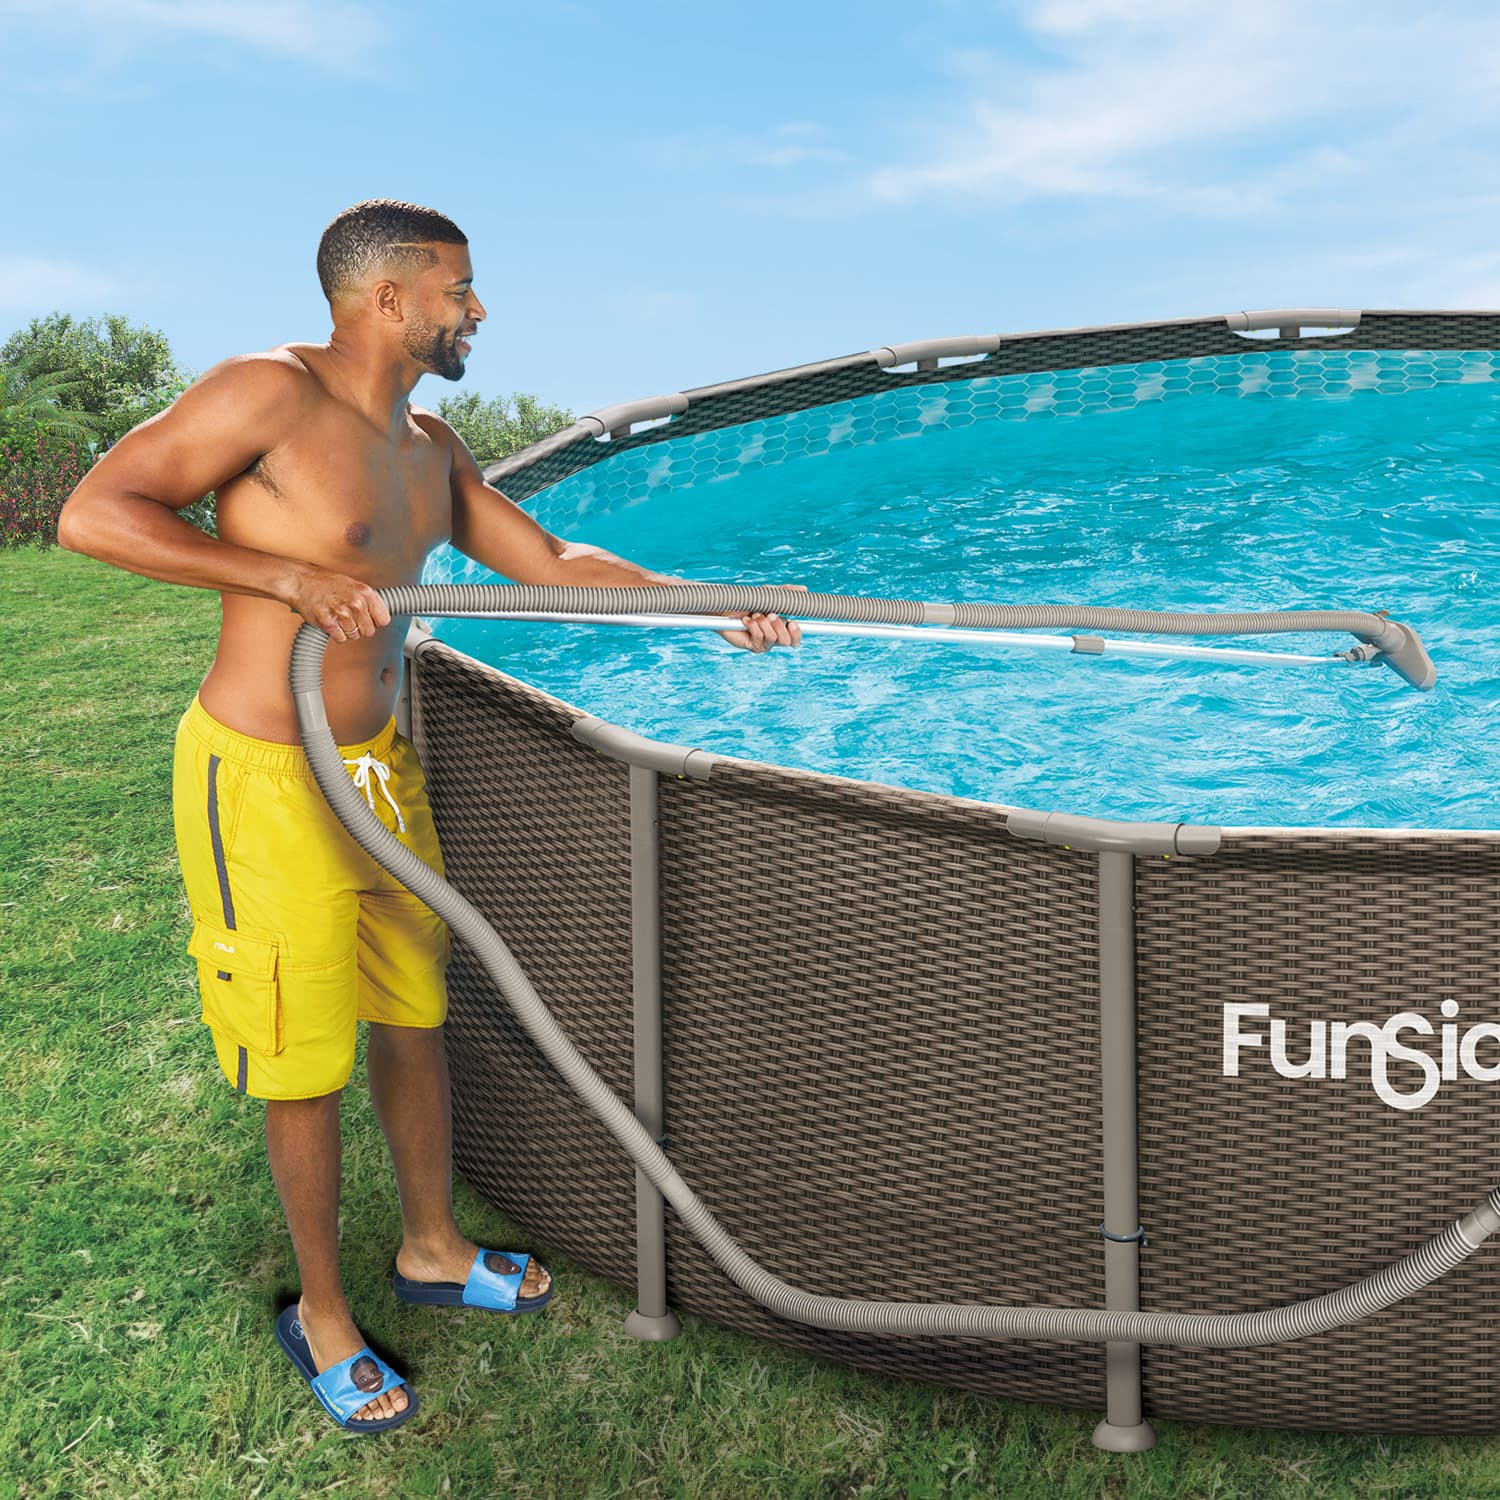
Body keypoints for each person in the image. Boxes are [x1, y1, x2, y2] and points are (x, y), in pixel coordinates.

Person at [56, 198, 804, 1433]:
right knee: (301, 1058)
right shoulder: (267, 396)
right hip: (262, 771)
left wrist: (703, 599)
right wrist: (286, 574)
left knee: (412, 1009)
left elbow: (552, 564)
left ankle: (432, 1245)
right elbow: (95, 511)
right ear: (389, 299)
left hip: (377, 768)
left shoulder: (429, 441)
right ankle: (326, 1313)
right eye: (460, 289)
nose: (478, 309)